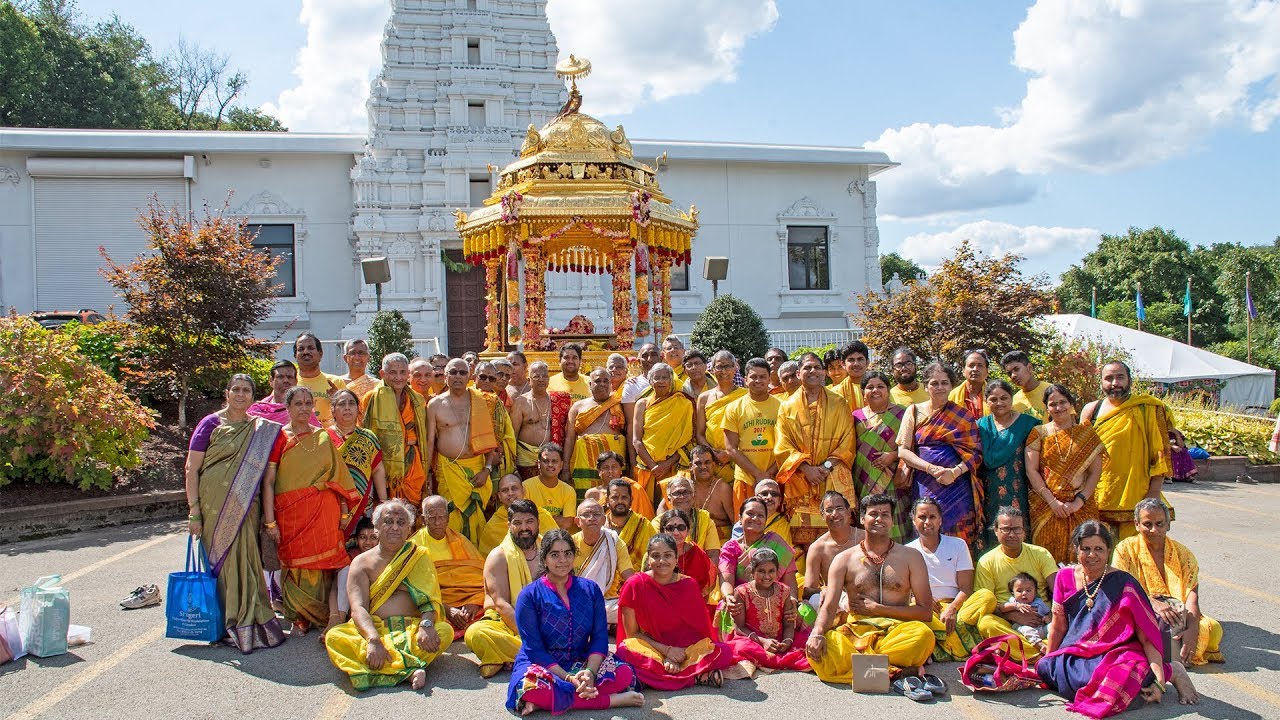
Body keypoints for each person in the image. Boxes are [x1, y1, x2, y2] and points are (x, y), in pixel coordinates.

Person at [1037, 520, 1199, 716]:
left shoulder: (1124, 582)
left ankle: (1171, 671)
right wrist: (1050, 658)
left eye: (1098, 549)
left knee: (1110, 678)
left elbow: (1146, 637)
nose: (1092, 555)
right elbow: (1058, 626)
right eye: (1085, 549)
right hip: (1077, 650)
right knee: (1045, 668)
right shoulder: (1064, 577)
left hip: (1116, 652)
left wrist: (1159, 681)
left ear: (1108, 551)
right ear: (1076, 549)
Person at [184, 373, 286, 653]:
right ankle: (224, 623)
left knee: (247, 559)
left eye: (246, 391)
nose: (241, 395)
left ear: (253, 396)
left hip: (246, 504)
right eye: (236, 389)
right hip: (213, 506)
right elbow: (192, 468)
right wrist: (194, 511)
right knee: (223, 562)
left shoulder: (260, 429)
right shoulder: (211, 424)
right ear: (227, 393)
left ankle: (250, 621)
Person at [507, 530, 643, 714]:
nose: (562, 560)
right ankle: (610, 700)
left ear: (574, 556)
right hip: (542, 663)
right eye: (555, 555)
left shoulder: (590, 589)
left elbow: (599, 637)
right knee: (530, 688)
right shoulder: (529, 595)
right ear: (544, 559)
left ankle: (552, 701)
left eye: (567, 553)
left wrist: (590, 673)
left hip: (580, 659)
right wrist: (569, 679)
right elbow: (534, 649)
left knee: (623, 674)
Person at [805, 493, 937, 682]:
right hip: (856, 631)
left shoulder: (911, 557)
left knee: (923, 636)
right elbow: (829, 606)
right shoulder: (843, 560)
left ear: (892, 521)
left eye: (885, 514)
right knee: (824, 649)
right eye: (873, 514)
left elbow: (925, 612)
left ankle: (864, 671)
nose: (879, 519)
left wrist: (879, 609)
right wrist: (817, 633)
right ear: (861, 518)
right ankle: (896, 671)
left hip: (896, 630)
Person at [325, 499, 454, 691]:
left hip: (412, 629)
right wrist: (373, 639)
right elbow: (358, 608)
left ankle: (377, 670)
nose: (395, 527)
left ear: (409, 529)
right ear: (376, 527)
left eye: (401, 523)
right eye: (388, 521)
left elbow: (430, 601)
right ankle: (408, 670)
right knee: (335, 637)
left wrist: (426, 625)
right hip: (374, 628)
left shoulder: (418, 556)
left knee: (444, 631)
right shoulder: (361, 563)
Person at [267, 385, 362, 635]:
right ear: (287, 407)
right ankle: (299, 617)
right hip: (290, 512)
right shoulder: (279, 437)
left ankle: (325, 615)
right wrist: (270, 521)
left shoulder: (323, 437)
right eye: (298, 403)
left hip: (325, 510)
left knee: (326, 563)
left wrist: (344, 512)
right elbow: (269, 481)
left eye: (308, 403)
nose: (304, 408)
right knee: (295, 564)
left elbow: (338, 477)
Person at [1112, 498, 1223, 666]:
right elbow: (1122, 588)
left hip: (1177, 613)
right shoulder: (1124, 549)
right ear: (1136, 525)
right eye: (1147, 524)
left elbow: (1192, 597)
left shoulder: (1183, 554)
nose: (1154, 530)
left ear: (1168, 525)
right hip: (1138, 608)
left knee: (1212, 628)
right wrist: (1153, 603)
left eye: (1159, 524)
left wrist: (1191, 630)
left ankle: (1172, 648)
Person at [616, 534, 737, 689]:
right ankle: (696, 677)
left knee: (723, 651)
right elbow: (632, 634)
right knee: (625, 650)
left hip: (684, 651)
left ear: (676, 558)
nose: (662, 561)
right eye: (656, 556)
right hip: (652, 647)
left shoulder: (689, 585)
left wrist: (678, 655)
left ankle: (651, 679)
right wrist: (667, 652)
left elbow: (699, 634)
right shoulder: (634, 585)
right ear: (648, 559)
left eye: (667, 555)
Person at [1082, 361, 1173, 542]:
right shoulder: (1092, 410)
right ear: (1101, 382)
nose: (1115, 383)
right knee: (1099, 551)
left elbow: (1160, 454)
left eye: (1120, 377)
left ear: (1129, 380)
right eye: (1109, 378)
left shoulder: (1147, 408)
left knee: (1136, 553)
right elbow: (1081, 455)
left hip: (1138, 495)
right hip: (1099, 496)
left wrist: (1153, 493)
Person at [896, 361, 982, 547]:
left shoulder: (963, 416)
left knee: (959, 536)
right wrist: (931, 468)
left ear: (951, 385)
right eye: (934, 383)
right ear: (926, 386)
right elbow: (903, 450)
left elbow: (975, 453)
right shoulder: (914, 411)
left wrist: (954, 472)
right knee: (926, 525)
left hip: (957, 486)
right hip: (925, 482)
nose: (940, 387)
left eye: (944, 383)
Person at [774, 352, 854, 548]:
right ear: (798, 373)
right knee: (803, 543)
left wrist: (825, 467)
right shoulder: (787, 407)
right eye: (807, 368)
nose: (813, 371)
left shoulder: (839, 403)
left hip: (832, 473)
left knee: (839, 538)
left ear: (824, 372)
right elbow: (782, 445)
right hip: (801, 476)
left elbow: (847, 441)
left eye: (817, 367)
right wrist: (806, 469)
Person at [961, 506, 1057, 660]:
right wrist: (1014, 616)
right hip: (1007, 622)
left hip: (1042, 618)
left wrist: (1051, 615)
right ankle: (1041, 653)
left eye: (1017, 529)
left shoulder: (1041, 554)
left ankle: (1018, 651)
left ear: (1024, 532)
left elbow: (1059, 589)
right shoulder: (987, 561)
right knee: (986, 623)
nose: (1012, 534)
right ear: (996, 531)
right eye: (1006, 529)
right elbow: (986, 604)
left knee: (1061, 623)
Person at [426, 358, 502, 543]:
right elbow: (429, 442)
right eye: (453, 372)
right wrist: (427, 473)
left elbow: (490, 439)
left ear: (470, 376)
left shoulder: (481, 401)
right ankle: (455, 555)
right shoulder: (435, 405)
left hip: (477, 469)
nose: (457, 376)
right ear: (445, 376)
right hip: (448, 469)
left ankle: (474, 556)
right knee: (450, 517)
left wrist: (487, 470)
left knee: (477, 520)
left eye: (462, 372)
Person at [466, 498, 544, 678]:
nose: (524, 528)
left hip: (544, 618)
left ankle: (511, 656)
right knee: (475, 633)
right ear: (509, 525)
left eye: (529, 521)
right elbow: (501, 603)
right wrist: (530, 636)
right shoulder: (498, 556)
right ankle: (542, 654)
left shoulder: (548, 550)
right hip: (505, 622)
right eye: (517, 523)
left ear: (538, 523)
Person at [1027, 384, 1105, 562]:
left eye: (1063, 402)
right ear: (1047, 408)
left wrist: (1078, 502)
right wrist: (1053, 502)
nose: (1058, 407)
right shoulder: (1039, 433)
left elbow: (1095, 473)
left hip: (1082, 505)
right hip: (1046, 506)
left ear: (1071, 404)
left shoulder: (1086, 434)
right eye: (1053, 404)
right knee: (1046, 556)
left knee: (1085, 553)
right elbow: (1031, 470)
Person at [906, 497, 976, 661]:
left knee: (986, 596)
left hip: (957, 607)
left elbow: (966, 588)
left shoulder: (958, 545)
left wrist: (952, 609)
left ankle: (938, 644)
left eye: (932, 517)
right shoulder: (907, 551)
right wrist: (922, 599)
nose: (927, 522)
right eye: (922, 517)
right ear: (914, 520)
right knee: (910, 610)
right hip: (925, 607)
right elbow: (905, 590)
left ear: (940, 520)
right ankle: (957, 644)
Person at [722, 547, 811, 675]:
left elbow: (788, 624)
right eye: (761, 571)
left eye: (771, 571)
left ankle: (770, 656)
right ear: (752, 571)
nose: (767, 576)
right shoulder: (742, 592)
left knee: (805, 645)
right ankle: (767, 657)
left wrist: (787, 641)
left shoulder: (784, 591)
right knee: (741, 648)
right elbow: (739, 628)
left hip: (778, 639)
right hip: (752, 639)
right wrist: (763, 641)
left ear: (777, 572)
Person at [717, 497, 798, 636]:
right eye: (750, 513)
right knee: (727, 608)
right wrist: (729, 597)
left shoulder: (777, 543)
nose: (755, 518)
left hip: (776, 603)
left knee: (804, 614)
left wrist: (793, 601)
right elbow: (725, 579)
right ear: (739, 518)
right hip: (742, 605)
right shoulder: (731, 548)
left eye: (760, 515)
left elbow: (790, 581)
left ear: (766, 520)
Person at [976, 379, 1041, 552]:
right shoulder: (980, 426)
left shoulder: (1028, 425)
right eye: (993, 399)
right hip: (988, 493)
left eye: (1004, 398)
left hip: (1020, 492)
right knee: (992, 533)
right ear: (986, 401)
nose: (999, 403)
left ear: (1012, 399)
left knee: (1018, 531)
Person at [410, 496, 486, 637]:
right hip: (436, 604)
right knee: (433, 623)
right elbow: (414, 588)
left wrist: (475, 602)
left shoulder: (460, 540)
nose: (437, 522)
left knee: (492, 611)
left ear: (448, 518)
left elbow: (482, 577)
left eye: (441, 517)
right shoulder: (414, 546)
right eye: (432, 517)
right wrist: (446, 609)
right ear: (423, 519)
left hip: (467, 601)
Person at [361, 353, 429, 506]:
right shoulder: (371, 398)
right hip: (384, 464)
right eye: (393, 372)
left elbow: (423, 434)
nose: (398, 377)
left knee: (413, 507)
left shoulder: (417, 400)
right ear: (382, 374)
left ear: (408, 374)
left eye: (402, 372)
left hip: (413, 461)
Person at [851, 371, 912, 541]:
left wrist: (893, 455)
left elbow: (914, 445)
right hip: (863, 480)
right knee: (868, 520)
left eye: (880, 386)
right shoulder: (855, 417)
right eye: (870, 387)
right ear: (863, 392)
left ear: (888, 389)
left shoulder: (903, 414)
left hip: (894, 480)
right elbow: (849, 450)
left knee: (894, 519)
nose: (875, 390)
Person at [722, 358, 781, 509]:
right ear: (745, 379)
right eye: (753, 376)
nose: (758, 380)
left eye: (762, 377)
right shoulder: (734, 408)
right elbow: (731, 448)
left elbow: (787, 446)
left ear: (769, 379)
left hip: (776, 476)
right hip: (745, 478)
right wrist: (757, 473)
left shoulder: (781, 407)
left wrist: (769, 474)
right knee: (745, 520)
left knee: (775, 520)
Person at [330, 389, 387, 539]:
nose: (347, 408)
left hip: (363, 502)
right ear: (333, 410)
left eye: (351, 403)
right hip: (332, 502)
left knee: (361, 540)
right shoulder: (324, 438)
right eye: (341, 404)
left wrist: (383, 502)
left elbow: (377, 470)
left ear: (358, 409)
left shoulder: (368, 437)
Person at [632, 363, 693, 502]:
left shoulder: (684, 404)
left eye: (665, 377)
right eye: (657, 377)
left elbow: (688, 440)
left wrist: (666, 465)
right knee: (645, 506)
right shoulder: (642, 404)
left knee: (672, 505)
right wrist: (654, 466)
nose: (661, 381)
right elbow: (636, 440)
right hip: (646, 466)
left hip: (673, 466)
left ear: (671, 381)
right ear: (650, 381)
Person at [563, 368, 627, 501]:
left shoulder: (619, 403)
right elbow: (569, 438)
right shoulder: (578, 406)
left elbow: (629, 433)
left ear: (611, 384)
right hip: (585, 462)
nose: (602, 384)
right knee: (587, 499)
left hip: (614, 462)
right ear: (590, 384)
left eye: (606, 381)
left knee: (616, 496)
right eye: (598, 381)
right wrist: (565, 468)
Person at [802, 491, 864, 617]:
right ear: (822, 515)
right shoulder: (817, 548)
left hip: (866, 597)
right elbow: (808, 592)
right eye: (829, 510)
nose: (835, 514)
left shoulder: (865, 538)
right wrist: (824, 590)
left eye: (840, 508)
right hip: (835, 602)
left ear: (849, 512)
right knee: (810, 604)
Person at [572, 499, 634, 623]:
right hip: (576, 600)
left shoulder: (613, 541)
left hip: (606, 602)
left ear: (603, 520)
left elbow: (629, 577)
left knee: (630, 608)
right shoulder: (570, 544)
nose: (592, 518)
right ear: (578, 521)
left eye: (596, 514)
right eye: (586, 515)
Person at [658, 446, 734, 542]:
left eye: (707, 462)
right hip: (683, 540)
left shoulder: (722, 488)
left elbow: (734, 520)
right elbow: (662, 509)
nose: (703, 467)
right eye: (698, 463)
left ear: (714, 464)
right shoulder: (683, 485)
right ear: (691, 466)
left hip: (719, 541)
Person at [511, 361, 572, 479]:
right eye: (536, 376)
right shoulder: (521, 402)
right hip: (526, 457)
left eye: (544, 376)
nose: (541, 379)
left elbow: (567, 434)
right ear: (529, 380)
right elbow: (513, 435)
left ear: (549, 379)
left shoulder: (558, 400)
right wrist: (512, 464)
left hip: (551, 458)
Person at [696, 350, 747, 493]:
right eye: (719, 367)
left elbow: (747, 432)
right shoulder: (704, 398)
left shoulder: (745, 395)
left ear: (735, 368)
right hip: (712, 460)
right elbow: (699, 434)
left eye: (728, 366)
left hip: (740, 459)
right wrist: (712, 454)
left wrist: (730, 454)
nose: (724, 371)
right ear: (712, 369)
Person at [323, 517, 380, 639]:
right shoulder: (351, 556)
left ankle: (343, 626)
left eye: (373, 537)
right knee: (346, 570)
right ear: (356, 539)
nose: (368, 542)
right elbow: (335, 588)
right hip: (350, 606)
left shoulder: (383, 556)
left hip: (376, 605)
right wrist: (334, 616)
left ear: (380, 539)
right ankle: (339, 622)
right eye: (363, 537)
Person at [654, 508, 717, 613]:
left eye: (681, 528)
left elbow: (705, 590)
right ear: (662, 531)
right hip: (661, 607)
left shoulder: (696, 553)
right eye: (670, 528)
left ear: (688, 531)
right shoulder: (654, 555)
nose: (676, 533)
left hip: (693, 607)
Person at [649, 475, 723, 563]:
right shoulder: (658, 523)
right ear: (669, 499)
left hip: (699, 567)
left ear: (693, 496)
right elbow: (655, 555)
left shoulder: (704, 519)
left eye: (686, 492)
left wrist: (705, 571)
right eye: (677, 493)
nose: (682, 497)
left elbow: (713, 554)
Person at [480, 474, 558, 555]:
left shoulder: (541, 516)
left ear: (523, 491)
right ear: (499, 496)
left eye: (514, 488)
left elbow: (556, 546)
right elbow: (487, 557)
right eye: (505, 490)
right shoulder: (493, 526)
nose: (510, 493)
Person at [294, 332, 346, 427]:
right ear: (295, 355)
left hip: (330, 435)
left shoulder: (336, 382)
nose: (306, 352)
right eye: (301, 349)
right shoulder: (289, 383)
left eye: (311, 348)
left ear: (320, 354)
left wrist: (338, 400)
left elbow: (348, 415)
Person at [248, 360, 320, 427]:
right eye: (280, 377)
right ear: (271, 381)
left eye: (289, 377)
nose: (285, 380)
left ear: (296, 382)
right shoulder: (257, 410)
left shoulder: (304, 411)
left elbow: (316, 435)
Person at [524, 442, 578, 531]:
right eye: (546, 461)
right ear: (538, 464)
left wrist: (538, 518)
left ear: (561, 465)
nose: (550, 465)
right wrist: (556, 518)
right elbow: (524, 520)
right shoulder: (526, 487)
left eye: (554, 461)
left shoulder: (568, 490)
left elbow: (567, 523)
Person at [605, 478, 656, 570]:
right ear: (607, 500)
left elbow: (653, 558)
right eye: (615, 497)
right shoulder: (600, 524)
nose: (620, 501)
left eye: (624, 497)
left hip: (637, 577)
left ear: (631, 500)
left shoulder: (644, 525)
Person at [596, 451, 653, 520]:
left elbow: (645, 520)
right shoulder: (592, 493)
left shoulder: (634, 489)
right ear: (599, 471)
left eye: (614, 467)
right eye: (605, 467)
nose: (610, 471)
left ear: (621, 470)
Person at [1002, 350, 1054, 422]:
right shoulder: (1014, 402)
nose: (1013, 375)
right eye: (1009, 373)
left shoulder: (1052, 391)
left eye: (1016, 369)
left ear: (1029, 368)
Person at [1005, 573, 1051, 648]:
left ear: (1035, 592)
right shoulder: (1014, 601)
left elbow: (1048, 612)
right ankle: (1039, 645)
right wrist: (1015, 606)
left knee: (1052, 626)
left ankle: (1052, 642)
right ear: (1013, 593)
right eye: (1019, 591)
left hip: (1041, 628)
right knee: (1027, 630)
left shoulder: (1039, 602)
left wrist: (1047, 618)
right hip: (1023, 629)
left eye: (1028, 590)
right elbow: (1002, 608)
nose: (1024, 593)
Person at [948, 349, 990, 419]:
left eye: (980, 365)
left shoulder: (994, 395)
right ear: (963, 371)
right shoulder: (951, 397)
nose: (975, 369)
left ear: (987, 371)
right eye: (971, 365)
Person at [831, 341, 870, 411]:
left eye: (860, 359)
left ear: (867, 362)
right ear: (843, 364)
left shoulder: (879, 389)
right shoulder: (835, 393)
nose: (856, 364)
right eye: (851, 360)